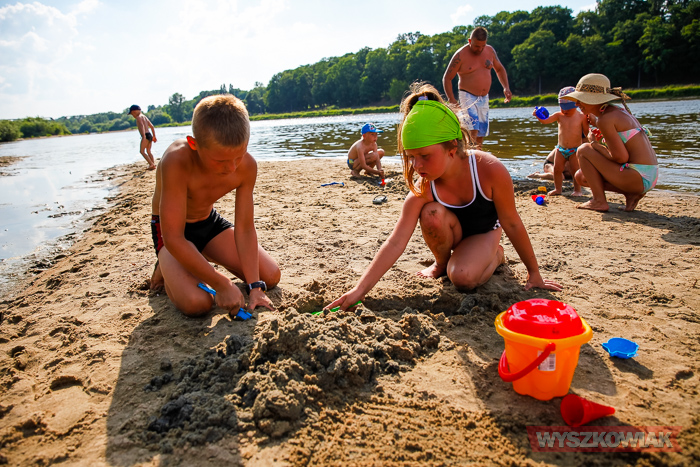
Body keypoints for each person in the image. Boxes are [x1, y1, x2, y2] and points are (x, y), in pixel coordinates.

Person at [325, 83, 561, 312]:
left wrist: (534, 273)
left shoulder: (489, 169)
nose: (417, 166)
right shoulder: (425, 186)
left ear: (452, 148)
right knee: (431, 213)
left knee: (462, 277)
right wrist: (359, 290)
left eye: (425, 156)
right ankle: (442, 262)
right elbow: (396, 242)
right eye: (411, 157)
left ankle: (496, 254)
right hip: (453, 235)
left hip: (484, 234)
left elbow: (512, 223)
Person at [150, 94, 280, 317]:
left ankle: (197, 256)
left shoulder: (247, 166)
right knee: (198, 303)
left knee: (269, 276)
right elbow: (174, 237)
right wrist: (221, 283)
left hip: (208, 224)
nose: (232, 168)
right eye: (221, 161)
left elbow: (245, 229)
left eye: (239, 156)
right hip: (173, 233)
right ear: (194, 144)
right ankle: (166, 263)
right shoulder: (176, 161)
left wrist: (255, 288)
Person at [560, 74, 658, 212]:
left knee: (583, 150)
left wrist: (594, 143)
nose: (576, 104)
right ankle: (631, 194)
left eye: (580, 100)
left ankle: (599, 201)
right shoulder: (617, 111)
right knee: (581, 177)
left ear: (594, 100)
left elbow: (620, 158)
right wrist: (598, 131)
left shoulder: (605, 119)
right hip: (648, 176)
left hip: (638, 177)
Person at [442, 26, 512, 149]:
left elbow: (500, 69)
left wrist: (506, 87)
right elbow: (447, 78)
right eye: (476, 46)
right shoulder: (460, 55)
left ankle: (477, 157)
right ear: (470, 41)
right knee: (472, 129)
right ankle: (469, 157)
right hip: (467, 95)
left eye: (482, 46)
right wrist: (451, 99)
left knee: (481, 133)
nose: (479, 49)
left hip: (484, 97)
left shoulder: (490, 51)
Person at [532, 87, 589, 196]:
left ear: (577, 104)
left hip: (574, 150)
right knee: (557, 170)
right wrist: (538, 116)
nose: (565, 111)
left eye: (568, 108)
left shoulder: (582, 117)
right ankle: (558, 189)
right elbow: (546, 121)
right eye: (562, 108)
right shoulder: (559, 115)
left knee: (575, 170)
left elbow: (587, 133)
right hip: (561, 149)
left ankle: (577, 190)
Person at [127, 105, 157, 170]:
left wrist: (143, 136)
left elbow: (142, 126)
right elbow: (152, 126)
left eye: (132, 114)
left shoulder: (138, 118)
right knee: (148, 151)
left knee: (142, 151)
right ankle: (153, 164)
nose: (133, 116)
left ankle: (151, 164)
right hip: (149, 135)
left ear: (134, 111)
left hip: (145, 135)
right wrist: (154, 136)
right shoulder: (144, 116)